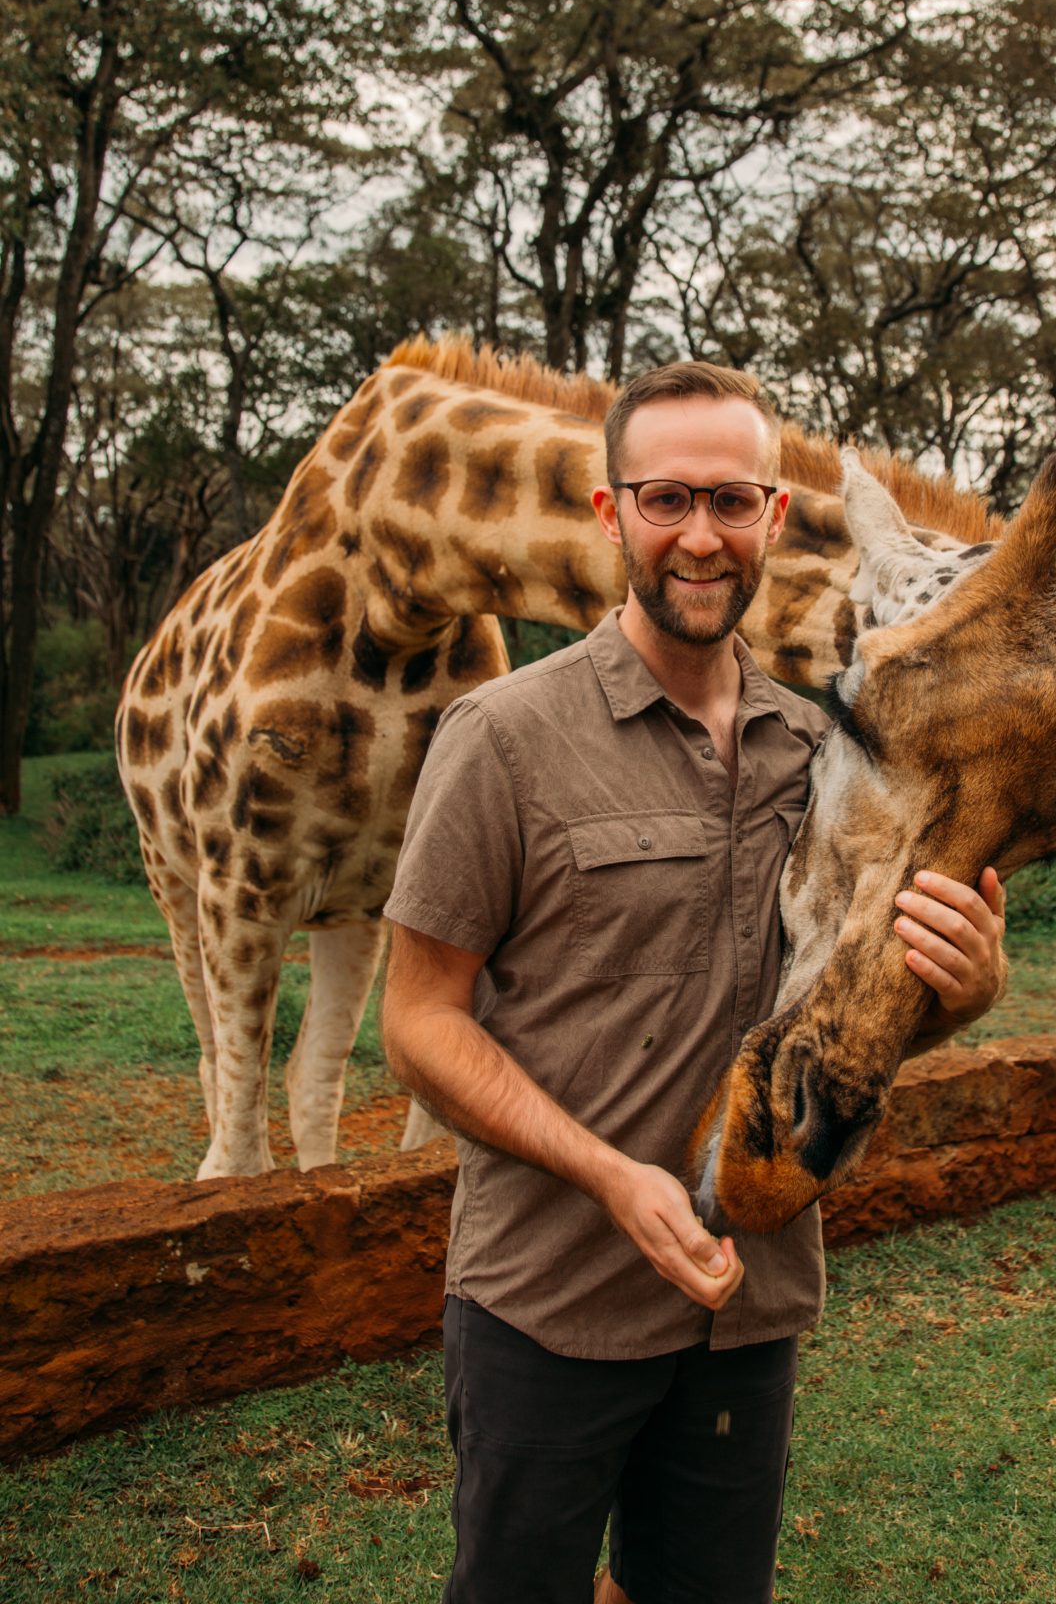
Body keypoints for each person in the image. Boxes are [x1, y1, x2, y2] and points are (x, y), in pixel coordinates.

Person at [382, 362, 1007, 1604]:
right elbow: (417, 1022)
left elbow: (839, 1017)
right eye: (667, 497)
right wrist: (615, 1176)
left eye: (733, 499)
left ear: (776, 518)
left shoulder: (823, 754)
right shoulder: (501, 739)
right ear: (612, 514)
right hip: (547, 1302)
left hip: (748, 1298)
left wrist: (958, 997)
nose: (701, 533)